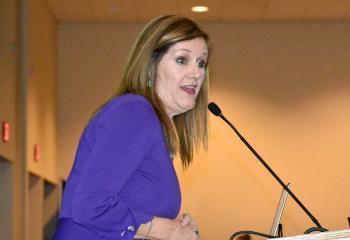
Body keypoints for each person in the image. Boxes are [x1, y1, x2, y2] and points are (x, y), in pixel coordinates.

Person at [54, 15, 210, 240]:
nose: (196, 73)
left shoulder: (152, 127)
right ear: (150, 66)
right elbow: (90, 204)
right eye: (182, 59)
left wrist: (176, 227)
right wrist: (168, 230)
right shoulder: (134, 112)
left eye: (201, 63)